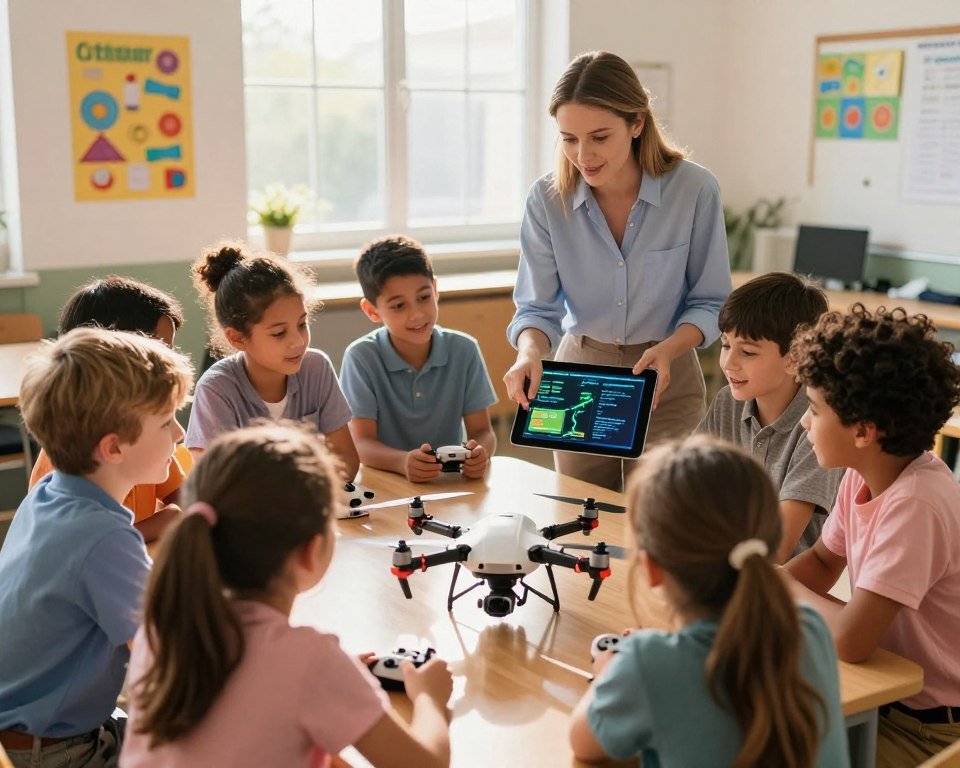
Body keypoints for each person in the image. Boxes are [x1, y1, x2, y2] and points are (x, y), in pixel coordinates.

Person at [122, 422, 453, 767]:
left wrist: (326, 688)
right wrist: (430, 696)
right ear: (312, 550)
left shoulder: (160, 626)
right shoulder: (310, 662)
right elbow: (425, 764)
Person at [504, 50, 732, 492]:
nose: (582, 155)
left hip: (664, 376)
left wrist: (669, 349)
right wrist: (529, 353)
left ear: (637, 124)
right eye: (568, 138)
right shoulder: (546, 201)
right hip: (579, 376)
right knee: (581, 516)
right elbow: (536, 307)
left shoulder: (694, 189)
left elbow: (711, 301)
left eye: (599, 137)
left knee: (659, 520)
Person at [568, 434, 848, 767]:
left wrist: (608, 673)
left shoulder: (645, 667)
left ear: (651, 569)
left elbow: (582, 743)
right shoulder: (810, 628)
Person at [0, 328, 193, 767]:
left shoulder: (50, 492)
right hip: (53, 752)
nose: (179, 434)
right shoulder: (102, 535)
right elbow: (170, 656)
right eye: (166, 422)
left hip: (29, 732)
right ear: (113, 447)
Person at [783, 304, 960, 766]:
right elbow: (823, 562)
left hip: (929, 729)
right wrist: (766, 585)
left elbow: (850, 643)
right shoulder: (864, 475)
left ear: (863, 430)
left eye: (814, 410)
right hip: (887, 693)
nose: (804, 422)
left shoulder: (916, 503)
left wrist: (779, 587)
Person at [28, 276, 188, 543]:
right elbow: (78, 543)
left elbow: (182, 496)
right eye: (160, 351)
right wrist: (161, 523)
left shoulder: (146, 437)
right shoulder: (66, 456)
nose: (168, 364)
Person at [698, 272, 842, 562]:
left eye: (748, 352)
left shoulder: (817, 424)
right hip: (712, 562)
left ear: (794, 359)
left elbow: (775, 548)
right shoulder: (729, 401)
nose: (728, 363)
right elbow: (685, 484)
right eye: (726, 345)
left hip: (775, 582)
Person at [185, 241, 360, 479]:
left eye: (302, 324)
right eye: (279, 333)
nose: (298, 342)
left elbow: (347, 462)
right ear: (237, 338)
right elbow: (218, 486)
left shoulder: (316, 367)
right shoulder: (216, 389)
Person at [340, 235, 497, 482]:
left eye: (423, 297)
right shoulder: (361, 357)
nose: (417, 315)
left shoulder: (464, 349)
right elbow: (361, 443)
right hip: (388, 482)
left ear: (435, 289)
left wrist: (481, 454)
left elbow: (483, 431)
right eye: (398, 306)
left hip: (451, 483)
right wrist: (402, 462)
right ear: (372, 311)